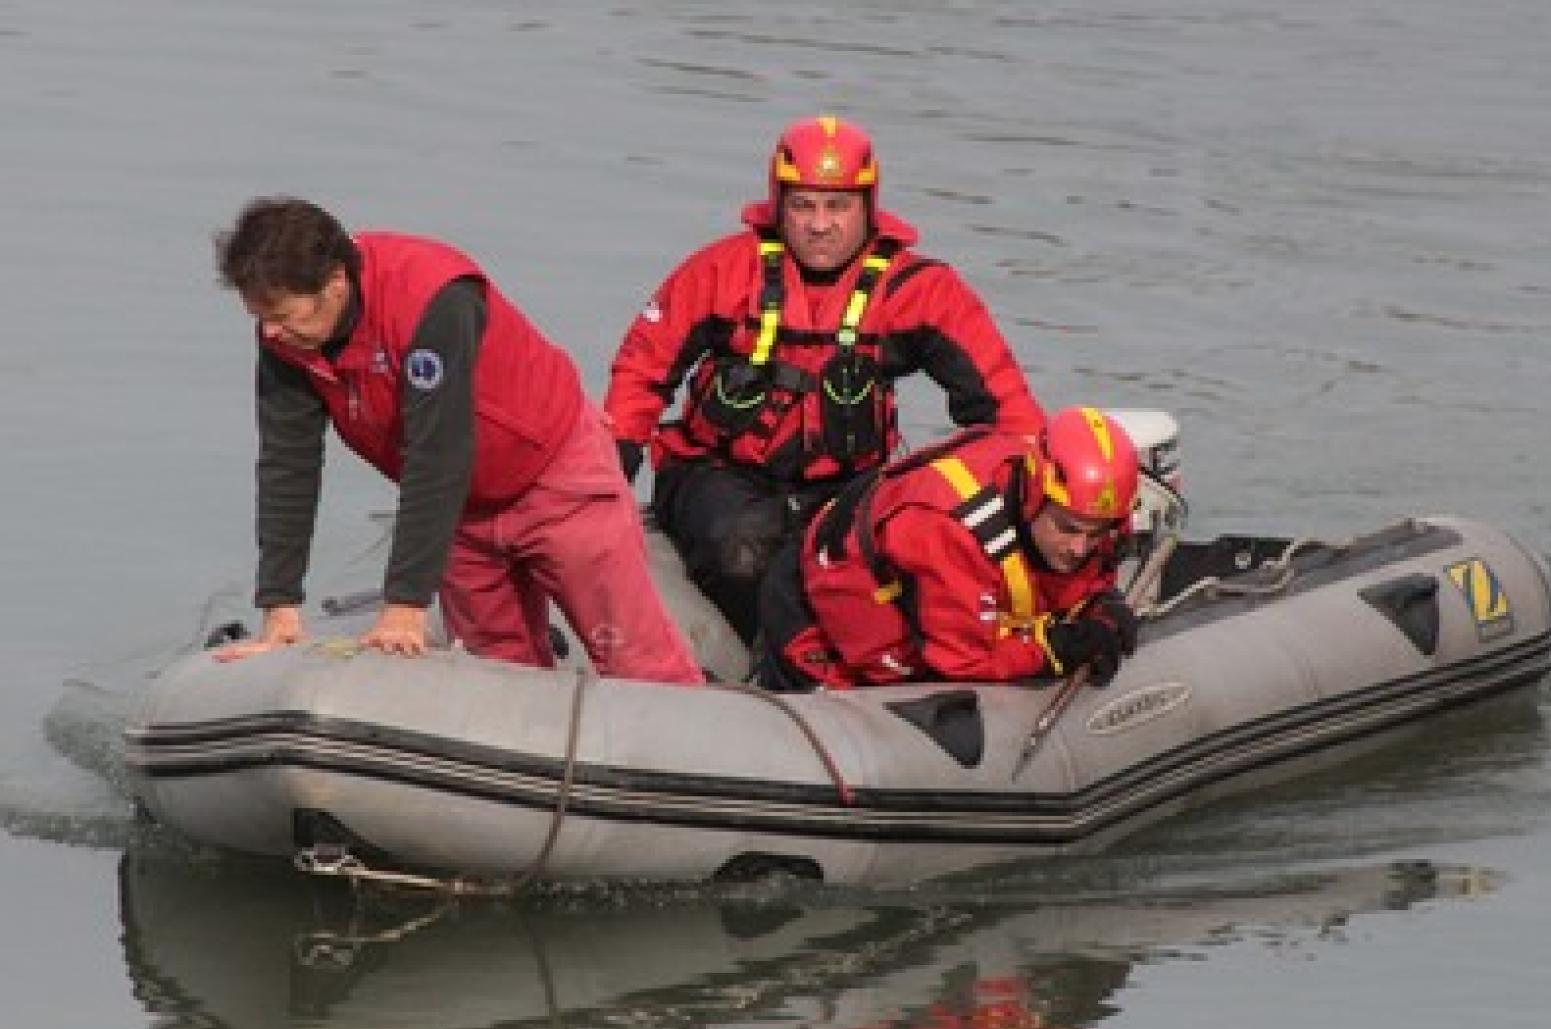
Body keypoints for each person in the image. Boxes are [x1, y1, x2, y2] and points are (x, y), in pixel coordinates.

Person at [212, 196, 703, 685]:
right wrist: (280, 604)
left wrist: (406, 603)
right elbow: (287, 463)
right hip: (463, 515)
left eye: (281, 314)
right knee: (498, 678)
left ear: (336, 282)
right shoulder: (286, 339)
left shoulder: (432, 300)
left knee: (638, 662)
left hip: (555, 477)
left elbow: (437, 451)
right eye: (259, 316)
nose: (270, 331)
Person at [604, 115, 1045, 644]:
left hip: (846, 485)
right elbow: (643, 369)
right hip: (715, 472)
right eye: (803, 205)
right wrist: (609, 472)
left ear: (867, 207)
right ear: (778, 206)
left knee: (889, 564)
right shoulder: (720, 273)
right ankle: (776, 663)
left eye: (837, 206)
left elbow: (1003, 410)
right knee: (743, 551)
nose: (819, 224)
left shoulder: (922, 292)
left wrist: (1031, 504)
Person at [754, 406, 1141, 690]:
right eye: (1069, 528)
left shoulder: (1091, 518)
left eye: (1095, 534)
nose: (1080, 548)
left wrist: (1100, 607)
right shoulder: (953, 530)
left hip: (940, 605)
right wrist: (1054, 649)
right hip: (816, 622)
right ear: (1036, 495)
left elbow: (1073, 573)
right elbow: (964, 659)